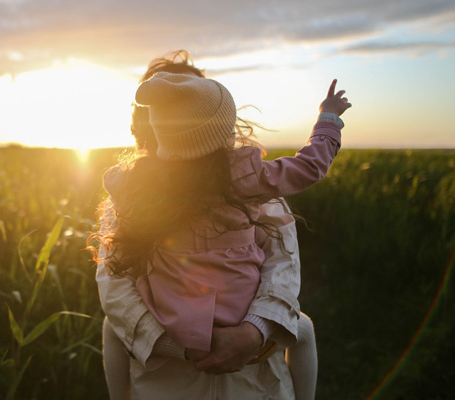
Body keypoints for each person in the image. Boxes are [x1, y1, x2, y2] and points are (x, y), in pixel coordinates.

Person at [95, 51, 349, 400]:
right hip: (165, 377)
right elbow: (114, 284)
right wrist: (329, 121)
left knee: (301, 326)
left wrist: (253, 332)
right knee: (302, 327)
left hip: (252, 376)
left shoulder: (139, 187)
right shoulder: (246, 180)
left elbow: (282, 264)